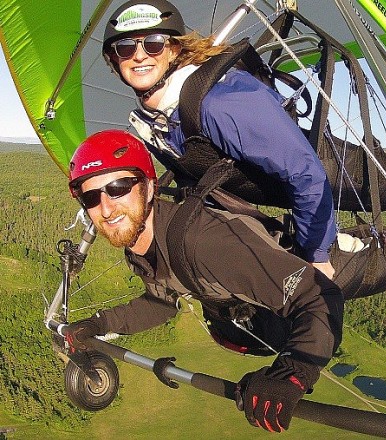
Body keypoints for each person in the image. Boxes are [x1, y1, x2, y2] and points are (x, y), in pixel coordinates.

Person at [64, 130, 344, 432]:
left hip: (316, 275)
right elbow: (161, 302)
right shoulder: (139, 245)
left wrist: (292, 372)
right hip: (260, 302)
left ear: (149, 185)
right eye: (91, 197)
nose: (106, 209)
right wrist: (98, 324)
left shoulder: (202, 243)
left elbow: (317, 295)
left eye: (118, 187)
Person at [101, 0, 338, 279]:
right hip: (269, 189)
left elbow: (305, 172)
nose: (139, 56)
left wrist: (316, 254)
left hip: (322, 181)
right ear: (115, 59)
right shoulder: (156, 120)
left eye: (153, 43)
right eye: (126, 48)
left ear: (173, 49)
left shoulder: (218, 104)